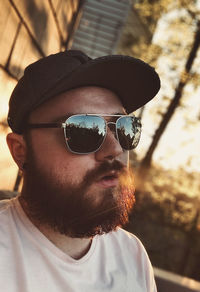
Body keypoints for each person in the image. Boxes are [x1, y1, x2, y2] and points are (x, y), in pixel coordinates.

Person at [1, 50, 160, 291]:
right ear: (20, 151)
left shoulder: (132, 256)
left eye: (124, 127)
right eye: (84, 130)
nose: (115, 149)